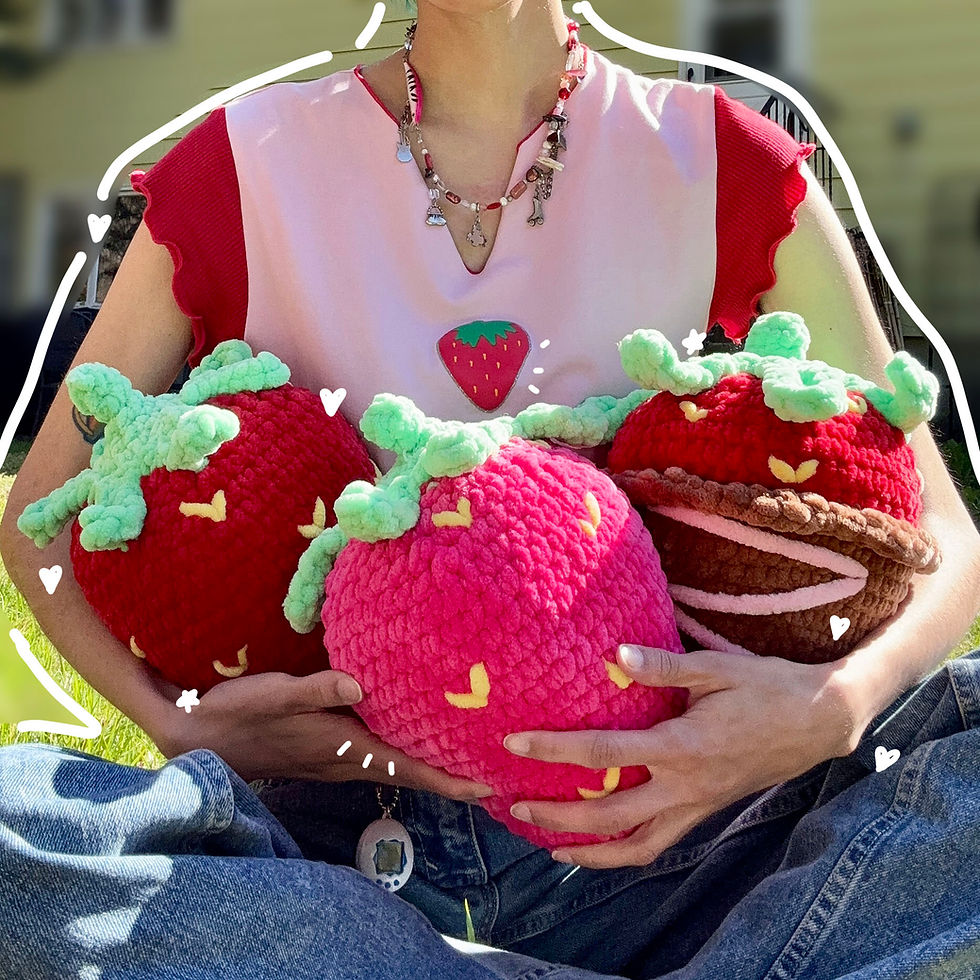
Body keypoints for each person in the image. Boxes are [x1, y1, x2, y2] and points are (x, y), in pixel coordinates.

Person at [1, 1, 979, 977]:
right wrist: (171, 721)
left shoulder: (723, 156)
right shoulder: (237, 165)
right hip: (336, 838)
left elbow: (944, 534)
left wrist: (836, 703)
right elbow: (37, 514)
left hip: (674, 830)